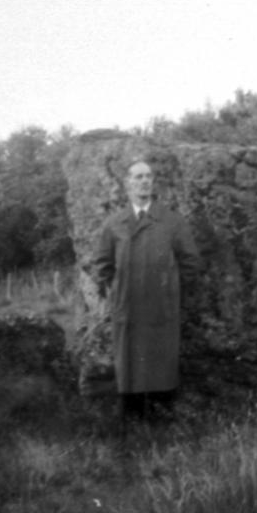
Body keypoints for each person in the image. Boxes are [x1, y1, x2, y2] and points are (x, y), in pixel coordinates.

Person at [93, 159, 200, 428]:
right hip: (127, 309)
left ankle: (161, 425)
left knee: (161, 364)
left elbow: (191, 263)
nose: (144, 181)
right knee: (130, 364)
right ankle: (132, 427)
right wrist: (115, 294)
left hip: (161, 309)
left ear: (153, 183)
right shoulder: (114, 223)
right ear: (127, 183)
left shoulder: (172, 222)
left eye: (148, 176)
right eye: (138, 177)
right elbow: (102, 265)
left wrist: (171, 291)